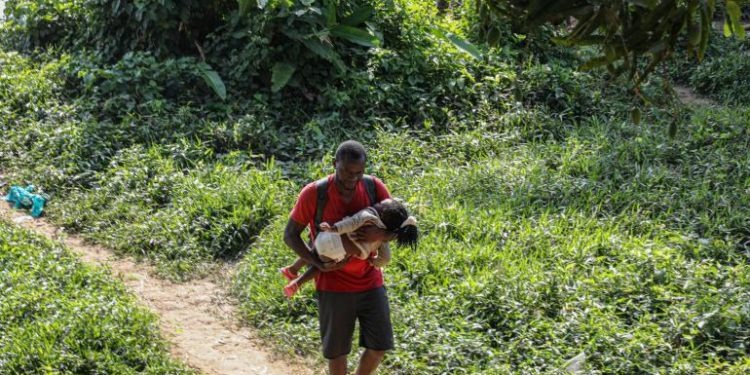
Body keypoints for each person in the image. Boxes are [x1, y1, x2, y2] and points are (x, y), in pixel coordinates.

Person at [284, 140, 396, 375]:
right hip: (333, 285)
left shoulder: (374, 188)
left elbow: (398, 226)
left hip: (370, 282)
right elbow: (291, 235)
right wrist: (317, 263)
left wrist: (381, 233)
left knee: (380, 346)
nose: (351, 179)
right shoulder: (315, 193)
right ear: (334, 164)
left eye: (358, 173)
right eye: (346, 172)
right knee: (337, 353)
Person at [281, 198, 418, 298]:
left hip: (330, 238)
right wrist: (373, 262)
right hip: (339, 253)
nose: (377, 203)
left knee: (313, 251)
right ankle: (297, 283)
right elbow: (385, 258)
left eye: (380, 204)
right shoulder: (382, 240)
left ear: (382, 213)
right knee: (320, 265)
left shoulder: (368, 215)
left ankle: (293, 269)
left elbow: (350, 223)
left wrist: (334, 228)